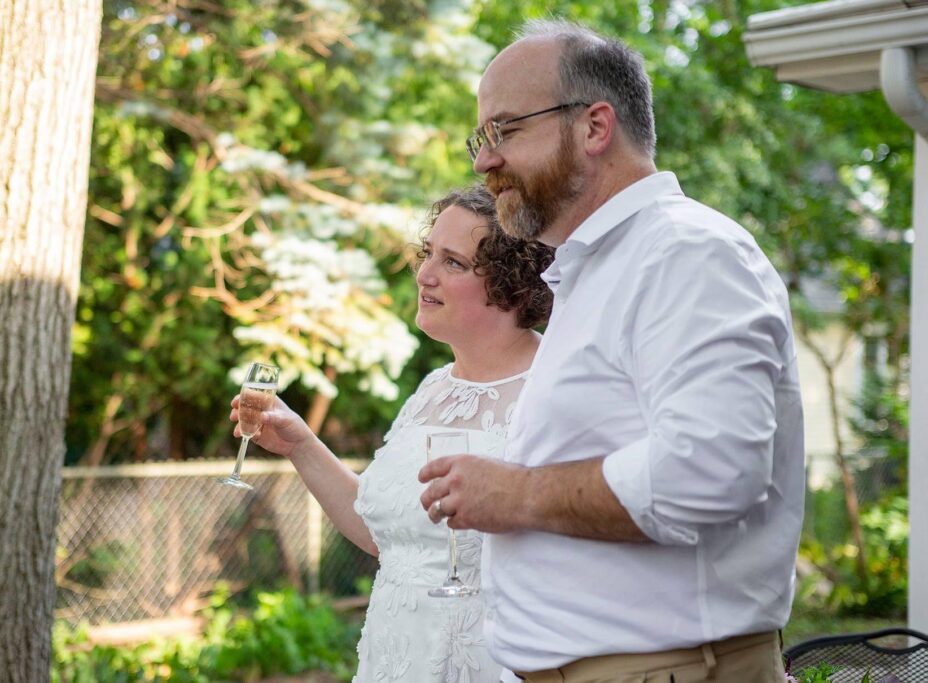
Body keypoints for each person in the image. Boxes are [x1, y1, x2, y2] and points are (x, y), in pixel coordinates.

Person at [418, 19, 805, 683]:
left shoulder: (687, 253)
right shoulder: (599, 271)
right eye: (481, 138)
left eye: (505, 131)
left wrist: (516, 494)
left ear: (595, 127)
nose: (484, 162)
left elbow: (709, 472)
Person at [230, 184, 554, 682]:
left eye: (453, 263)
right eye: (428, 254)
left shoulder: (553, 389)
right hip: (393, 659)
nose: (424, 275)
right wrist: (300, 445)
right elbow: (385, 537)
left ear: (513, 283)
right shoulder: (432, 389)